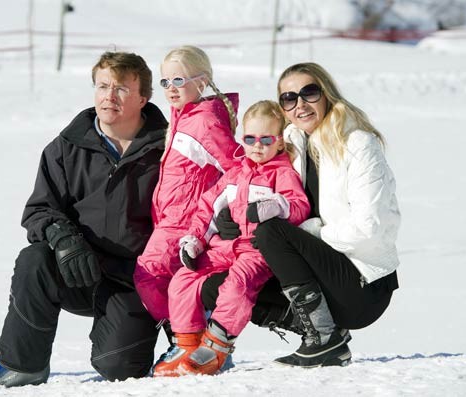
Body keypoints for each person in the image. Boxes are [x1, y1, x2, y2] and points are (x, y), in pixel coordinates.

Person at [0, 51, 169, 387]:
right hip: (78, 267)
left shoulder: (168, 150)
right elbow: (39, 210)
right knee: (35, 259)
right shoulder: (65, 147)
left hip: (136, 279)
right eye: (102, 86)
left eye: (121, 89)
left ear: (143, 98)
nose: (108, 96)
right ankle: (22, 364)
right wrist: (64, 238)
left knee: (120, 369)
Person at [203, 62, 400, 368]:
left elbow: (369, 228)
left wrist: (310, 231)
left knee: (271, 231)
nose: (300, 104)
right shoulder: (293, 140)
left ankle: (323, 339)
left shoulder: (358, 143)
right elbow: (253, 176)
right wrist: (232, 218)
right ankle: (325, 332)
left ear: (326, 93)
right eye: (289, 98)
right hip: (320, 277)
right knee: (220, 286)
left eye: (309, 92)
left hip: (363, 283)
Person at [152, 100, 310, 377]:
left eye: (266, 139)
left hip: (256, 251)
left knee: (237, 284)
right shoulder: (236, 173)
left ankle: (217, 346)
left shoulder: (282, 173)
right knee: (183, 279)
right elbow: (207, 208)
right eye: (250, 138)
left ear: (280, 143)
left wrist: (277, 206)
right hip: (223, 247)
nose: (257, 146)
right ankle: (187, 344)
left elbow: (298, 204)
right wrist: (195, 240)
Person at [133, 46, 240, 351]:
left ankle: (189, 338)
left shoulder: (204, 122)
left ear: (202, 81)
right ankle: (192, 338)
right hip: (171, 219)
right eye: (165, 82)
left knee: (148, 274)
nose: (170, 89)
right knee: (171, 280)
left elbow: (236, 169)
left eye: (178, 80)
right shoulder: (185, 115)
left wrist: (215, 209)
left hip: (187, 221)